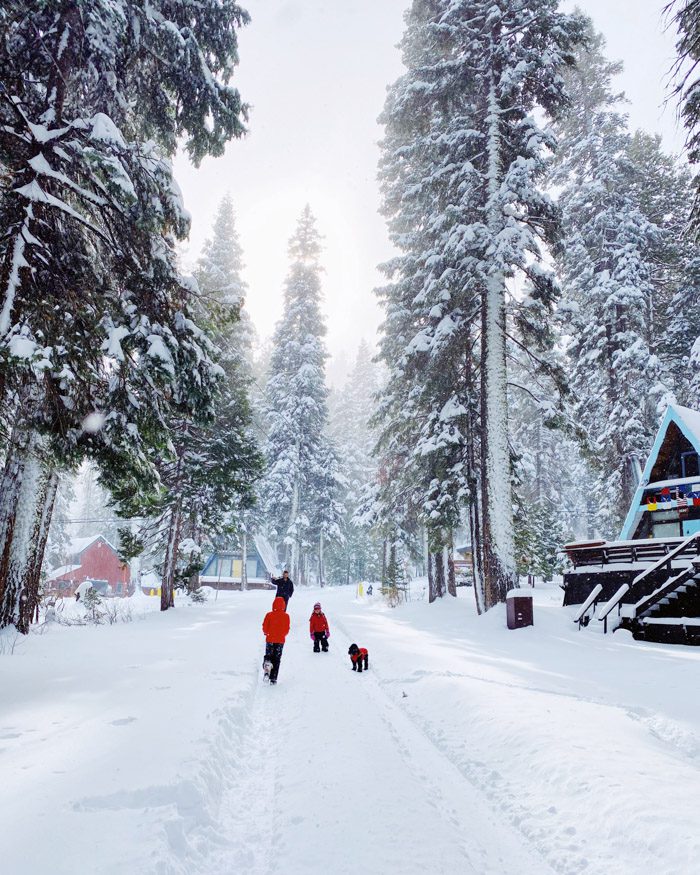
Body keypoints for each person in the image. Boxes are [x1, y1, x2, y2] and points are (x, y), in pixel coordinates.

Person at [261, 596, 290, 685]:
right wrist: (282, 635)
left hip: (270, 639)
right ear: (283, 606)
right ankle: (273, 678)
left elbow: (265, 626)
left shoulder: (269, 615)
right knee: (277, 658)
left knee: (268, 655)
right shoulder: (286, 616)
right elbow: (286, 629)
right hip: (280, 641)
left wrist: (266, 633)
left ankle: (267, 668)